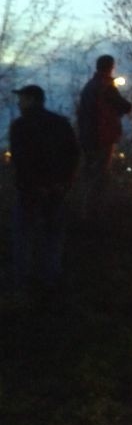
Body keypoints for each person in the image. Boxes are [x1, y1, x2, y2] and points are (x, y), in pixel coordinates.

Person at [9, 84, 80, 295]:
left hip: (31, 191)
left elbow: (21, 161)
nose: (19, 103)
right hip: (57, 190)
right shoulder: (61, 123)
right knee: (53, 236)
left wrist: (31, 185)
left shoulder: (20, 126)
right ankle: (51, 278)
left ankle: (23, 281)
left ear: (31, 100)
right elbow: (73, 155)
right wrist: (64, 183)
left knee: (23, 235)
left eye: (21, 99)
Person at [77, 54, 132, 219]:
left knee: (91, 175)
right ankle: (94, 215)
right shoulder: (106, 87)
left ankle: (85, 212)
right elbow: (125, 106)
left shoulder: (89, 86)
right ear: (111, 67)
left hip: (87, 137)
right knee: (100, 177)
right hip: (102, 137)